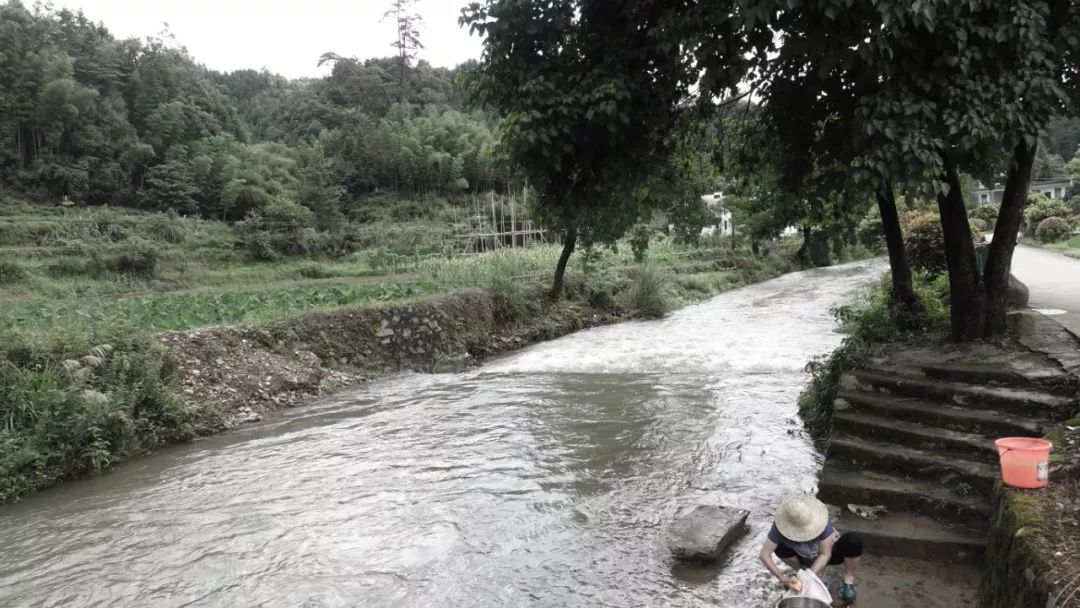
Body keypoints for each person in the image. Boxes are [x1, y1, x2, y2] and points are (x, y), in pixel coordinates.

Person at [758, 495, 862, 602]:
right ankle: (802, 570)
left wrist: (809, 576)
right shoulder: (779, 527)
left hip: (828, 553)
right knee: (778, 547)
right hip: (802, 557)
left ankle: (848, 581)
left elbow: (825, 554)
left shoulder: (821, 521)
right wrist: (783, 578)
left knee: (853, 541)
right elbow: (764, 554)